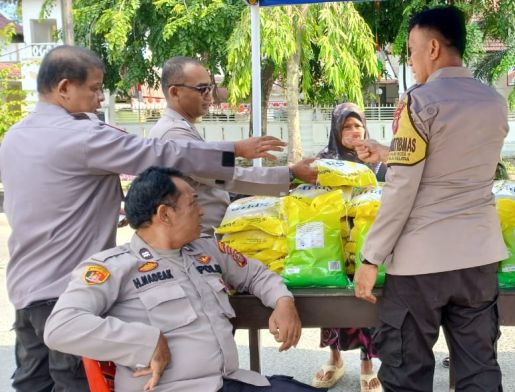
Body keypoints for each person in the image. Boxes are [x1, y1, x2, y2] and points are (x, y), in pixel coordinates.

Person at [0, 45, 285, 391]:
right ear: (63, 88)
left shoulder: (15, 136)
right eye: (93, 89)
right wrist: (234, 149)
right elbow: (157, 154)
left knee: (32, 383)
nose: (100, 100)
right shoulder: (83, 135)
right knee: (74, 383)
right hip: (72, 291)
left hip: (26, 288)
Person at [43, 167, 320, 391]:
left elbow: (256, 274)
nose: (201, 211)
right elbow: (60, 327)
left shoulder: (206, 249)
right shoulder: (114, 266)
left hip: (231, 381)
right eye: (193, 203)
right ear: (164, 214)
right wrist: (145, 342)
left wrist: (283, 302)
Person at [353, 6, 508, 392]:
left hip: (422, 263)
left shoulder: (419, 102)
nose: (411, 60)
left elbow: (402, 188)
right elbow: (451, 162)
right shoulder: (494, 101)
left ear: (434, 48)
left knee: (407, 373)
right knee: (478, 368)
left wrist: (371, 258)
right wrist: (389, 152)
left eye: (411, 50)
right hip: (478, 258)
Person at [148, 56, 318, 235]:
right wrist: (290, 173)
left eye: (210, 87)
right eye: (202, 89)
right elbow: (228, 177)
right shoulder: (173, 134)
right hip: (195, 239)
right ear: (175, 92)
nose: (210, 96)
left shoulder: (180, 128)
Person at [312, 103, 384, 392]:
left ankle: (368, 364)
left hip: (368, 243)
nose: (354, 131)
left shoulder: (378, 161)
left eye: (358, 125)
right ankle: (334, 359)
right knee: (332, 302)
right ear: (336, 131)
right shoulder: (324, 162)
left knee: (366, 301)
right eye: (346, 127)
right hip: (334, 242)